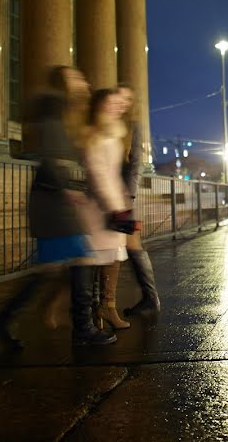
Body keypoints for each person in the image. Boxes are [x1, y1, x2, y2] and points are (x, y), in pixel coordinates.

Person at [0, 66, 116, 349]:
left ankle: (4, 321)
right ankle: (82, 329)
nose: (83, 80)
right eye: (76, 77)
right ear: (63, 83)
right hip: (54, 203)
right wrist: (68, 187)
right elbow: (50, 156)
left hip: (55, 201)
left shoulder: (64, 112)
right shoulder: (52, 107)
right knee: (78, 260)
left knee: (50, 269)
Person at [81, 88, 134, 332]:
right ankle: (94, 312)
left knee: (113, 258)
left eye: (119, 103)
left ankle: (106, 307)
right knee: (95, 261)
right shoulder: (95, 135)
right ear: (99, 106)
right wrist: (116, 207)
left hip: (116, 204)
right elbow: (99, 174)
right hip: (101, 207)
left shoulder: (114, 133)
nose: (117, 107)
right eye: (110, 103)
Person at [117, 84, 161, 317]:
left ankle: (150, 298)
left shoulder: (132, 126)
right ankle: (149, 298)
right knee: (124, 247)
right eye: (119, 98)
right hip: (115, 195)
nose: (123, 103)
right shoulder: (115, 126)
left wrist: (129, 196)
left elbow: (135, 165)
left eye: (127, 99)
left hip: (124, 197)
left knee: (131, 246)